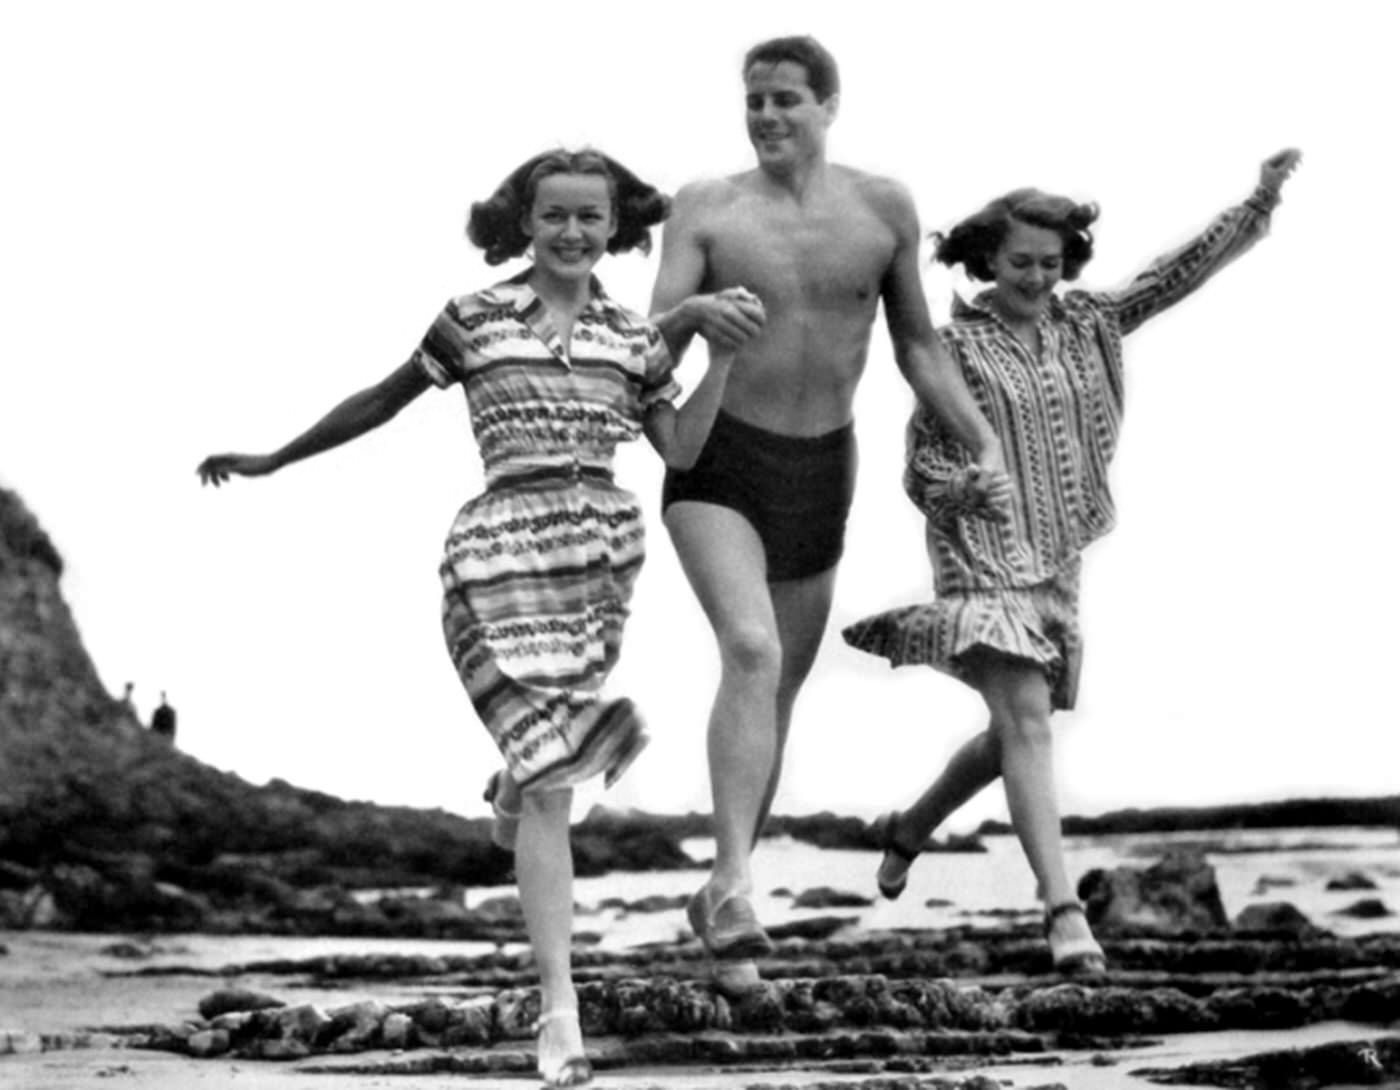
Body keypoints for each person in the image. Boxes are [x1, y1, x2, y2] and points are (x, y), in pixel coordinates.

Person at [197, 148, 744, 1088]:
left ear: (615, 226)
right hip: (495, 551)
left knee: (541, 766)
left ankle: (510, 789)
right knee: (555, 778)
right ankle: (561, 1013)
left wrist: (721, 354)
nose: (571, 231)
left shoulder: (632, 338)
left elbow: (685, 449)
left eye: (590, 216)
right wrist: (276, 458)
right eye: (553, 214)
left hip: (596, 563)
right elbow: (382, 399)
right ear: (524, 220)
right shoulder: (475, 317)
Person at [842, 149, 1303, 974]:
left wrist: (1256, 204)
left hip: (1057, 553)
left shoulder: (1087, 321)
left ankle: (909, 827)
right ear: (988, 259)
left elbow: (1170, 278)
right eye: (1021, 262)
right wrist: (960, 490)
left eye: (1051, 263)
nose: (1036, 277)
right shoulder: (953, 348)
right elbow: (921, 465)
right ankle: (1062, 911)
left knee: (1017, 730)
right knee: (1025, 720)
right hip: (979, 552)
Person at [648, 35, 1008, 991]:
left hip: (821, 464)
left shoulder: (883, 208)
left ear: (829, 106)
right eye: (754, 101)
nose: (766, 116)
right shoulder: (706, 207)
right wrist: (692, 319)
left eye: (785, 100)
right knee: (751, 650)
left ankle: (721, 898)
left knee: (777, 692)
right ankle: (735, 886)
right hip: (718, 454)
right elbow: (646, 345)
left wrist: (981, 441)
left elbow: (918, 346)